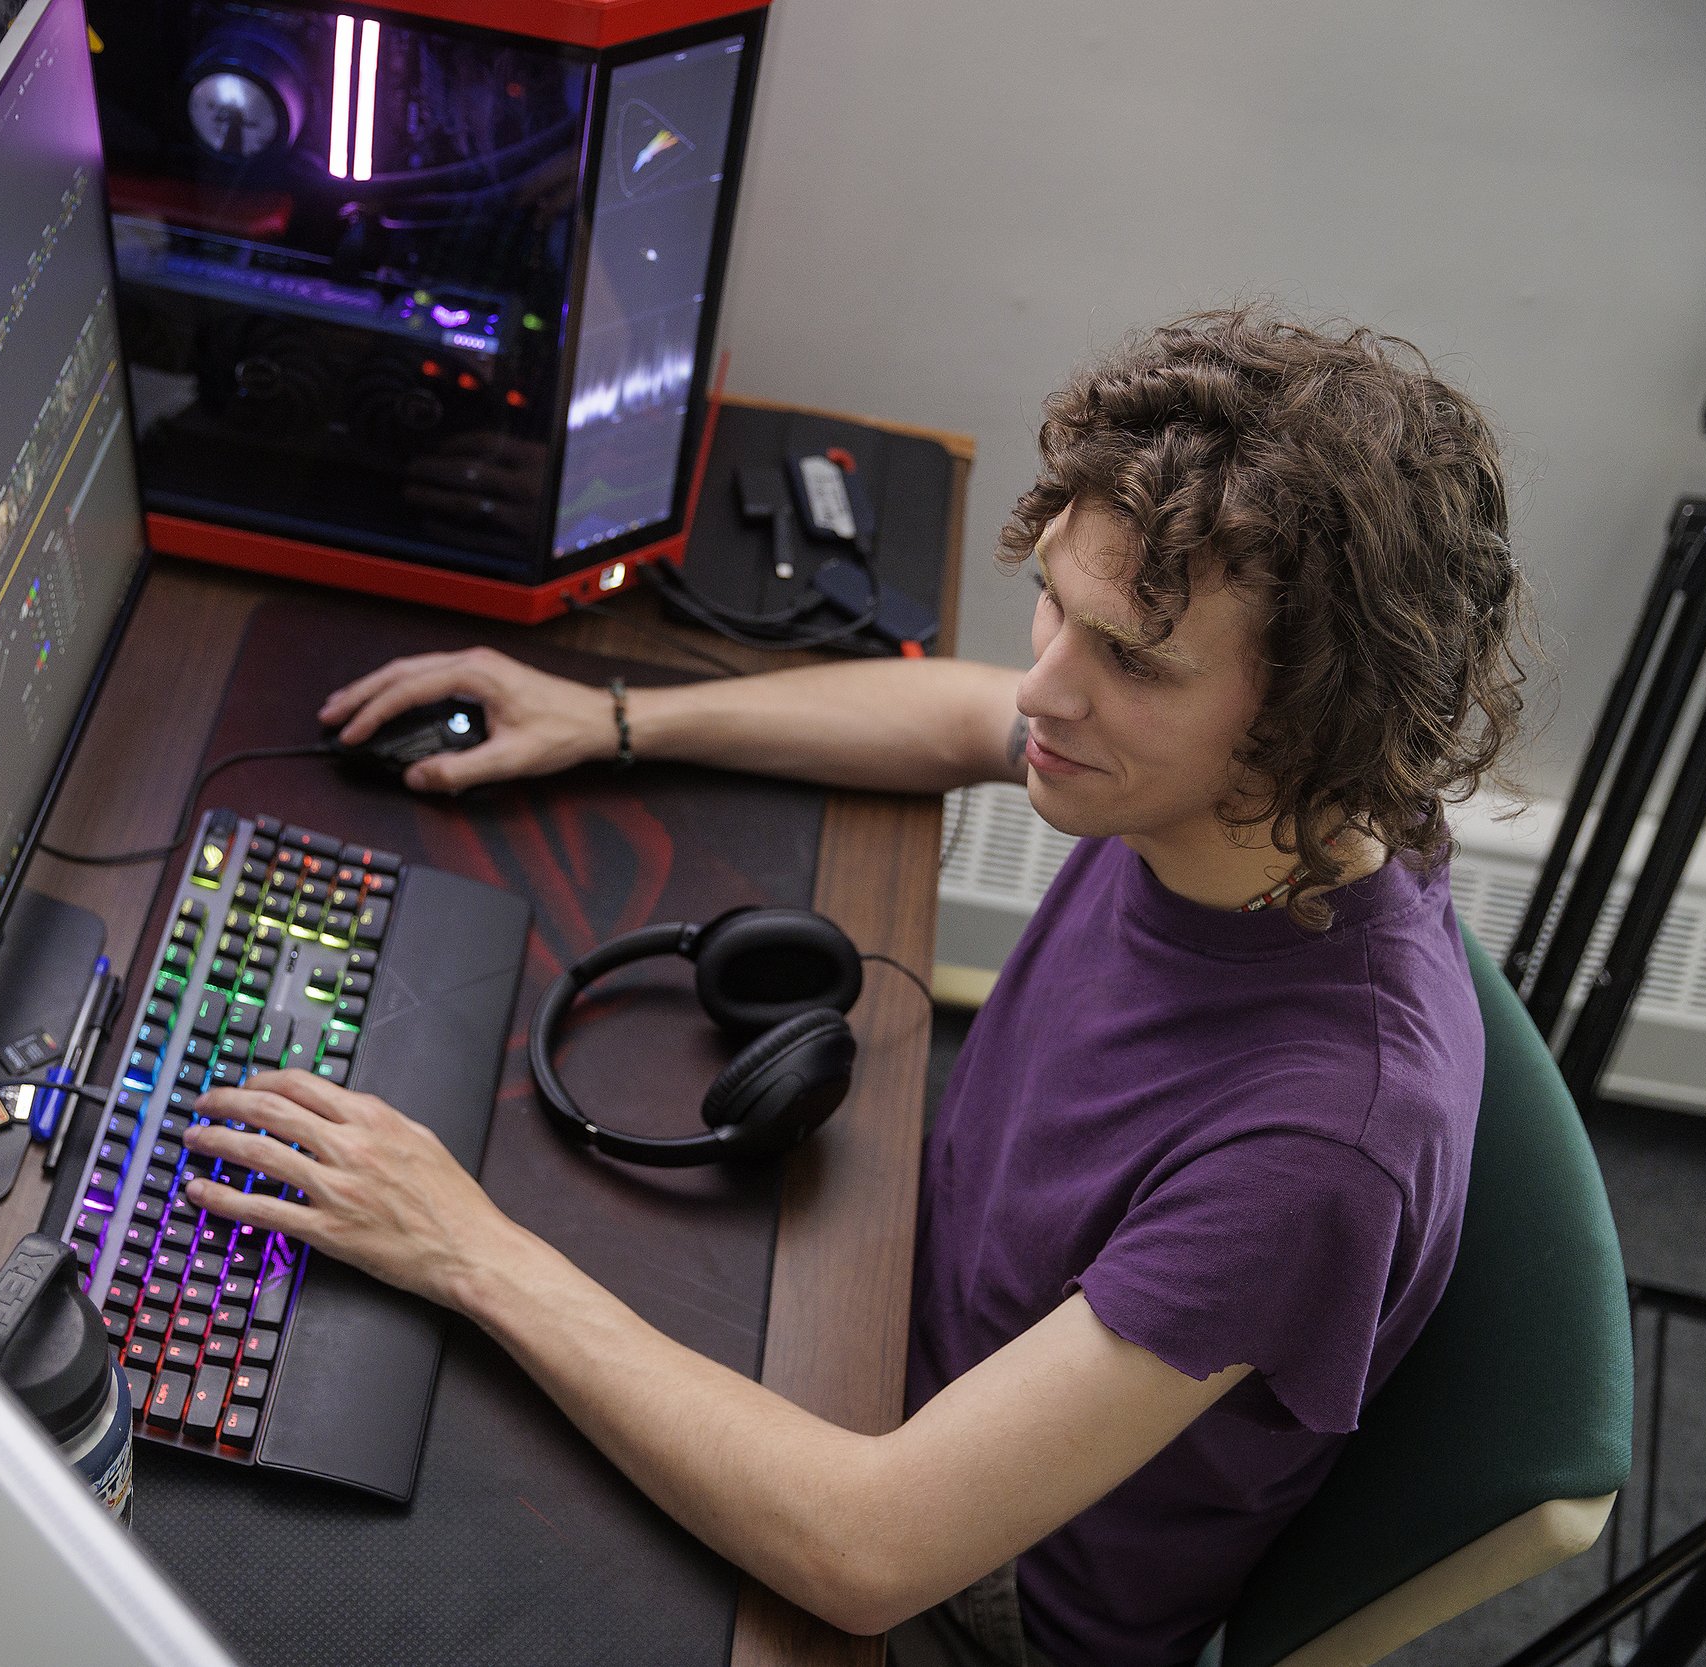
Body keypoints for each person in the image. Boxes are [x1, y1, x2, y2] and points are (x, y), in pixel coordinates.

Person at [178, 306, 1532, 1667]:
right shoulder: (1234, 801)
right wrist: (611, 719)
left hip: (965, 1594)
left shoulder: (1324, 1145)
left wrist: (464, 1249)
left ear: (1311, 725)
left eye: (1129, 658)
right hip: (907, 1319)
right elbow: (961, 714)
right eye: (1057, 603)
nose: (1046, 689)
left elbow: (867, 1550)